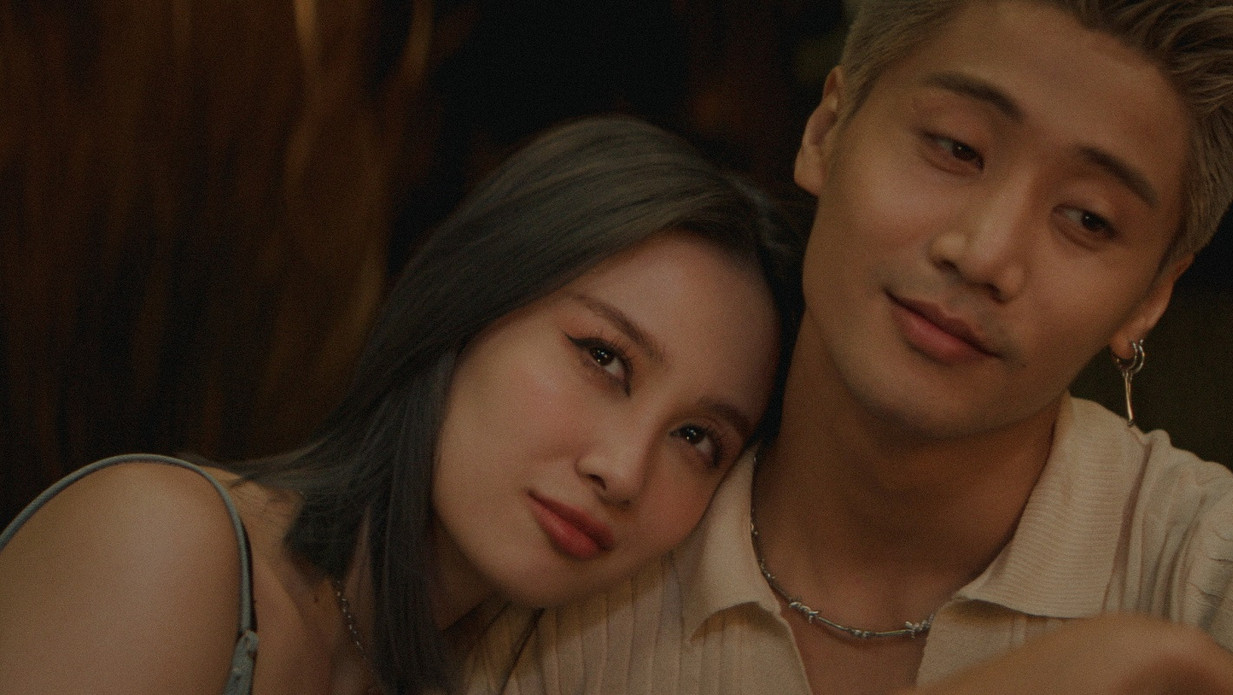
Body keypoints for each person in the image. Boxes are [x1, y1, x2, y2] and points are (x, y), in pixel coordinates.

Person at [453, 1, 1233, 694]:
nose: (985, 253)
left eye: (1088, 219)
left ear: (1149, 296)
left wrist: (1167, 661)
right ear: (828, 131)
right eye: (954, 148)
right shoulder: (573, 550)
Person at [0, 115, 804, 695]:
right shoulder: (166, 544)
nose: (623, 470)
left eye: (697, 436)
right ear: (469, 302)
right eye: (603, 356)